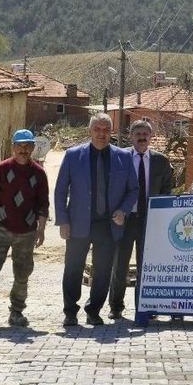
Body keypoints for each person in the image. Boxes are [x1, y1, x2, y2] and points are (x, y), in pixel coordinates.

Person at [55, 113, 138, 326]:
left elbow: (133, 190)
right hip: (77, 224)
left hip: (108, 225)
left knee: (102, 271)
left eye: (106, 130)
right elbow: (60, 190)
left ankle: (94, 310)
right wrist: (62, 220)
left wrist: (123, 210)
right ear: (90, 131)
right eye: (97, 129)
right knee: (73, 269)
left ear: (112, 132)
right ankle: (70, 312)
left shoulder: (124, 157)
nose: (101, 134)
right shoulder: (73, 155)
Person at [0, 129, 49, 328]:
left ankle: (16, 312)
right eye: (20, 146)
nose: (23, 150)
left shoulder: (39, 173)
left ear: (33, 148)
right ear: (13, 147)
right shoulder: (2, 169)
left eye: (27, 146)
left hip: (27, 232)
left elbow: (43, 203)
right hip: (1, 229)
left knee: (22, 274)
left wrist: (41, 229)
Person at [107, 119, 172, 321]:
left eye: (145, 134)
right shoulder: (120, 158)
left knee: (147, 265)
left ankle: (145, 307)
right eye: (138, 134)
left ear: (150, 137)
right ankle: (116, 307)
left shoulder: (161, 161)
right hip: (125, 220)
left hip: (150, 221)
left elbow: (166, 191)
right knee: (120, 265)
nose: (142, 137)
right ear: (131, 137)